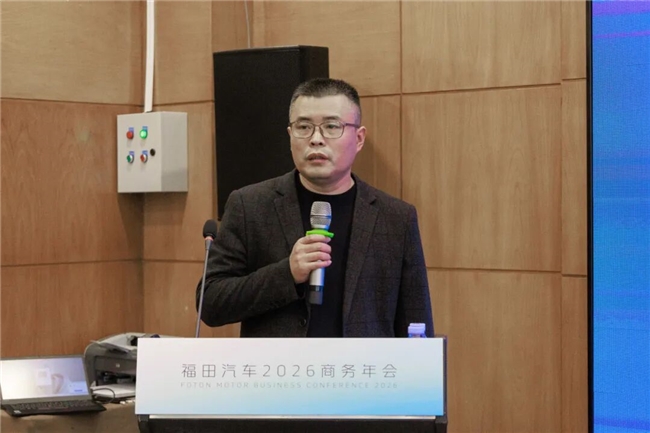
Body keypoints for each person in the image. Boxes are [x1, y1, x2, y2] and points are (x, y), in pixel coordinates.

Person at [196, 78, 434, 338]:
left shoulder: (396, 218)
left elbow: (416, 324)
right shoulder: (250, 206)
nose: (316, 139)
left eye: (331, 126)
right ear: (290, 135)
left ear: (359, 138)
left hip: (362, 365)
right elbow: (210, 302)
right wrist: (286, 273)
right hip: (279, 365)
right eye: (304, 127)